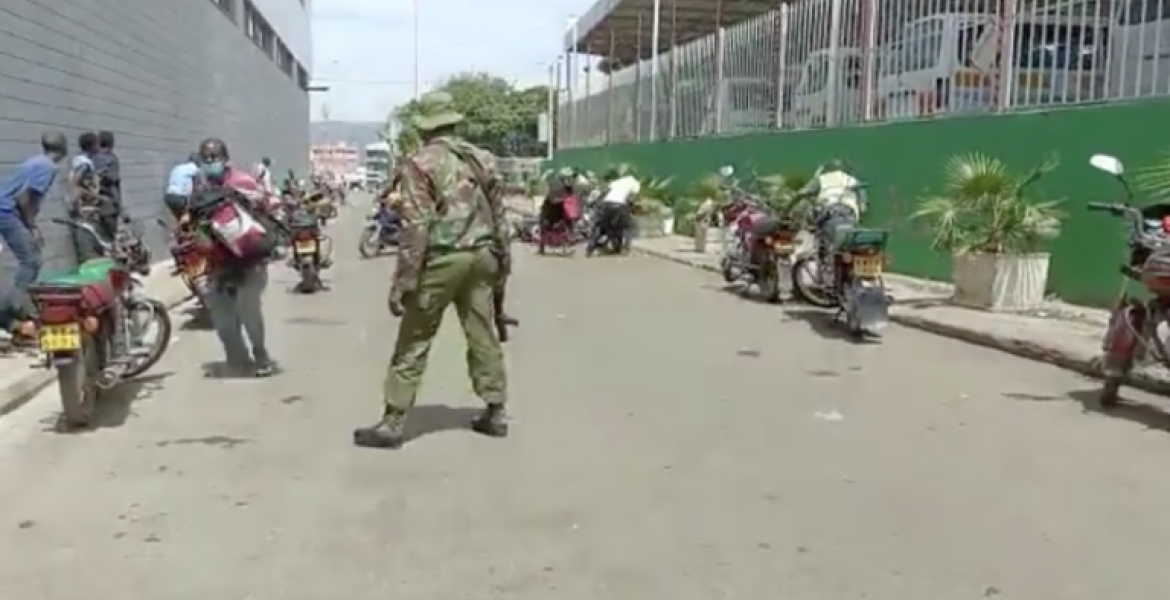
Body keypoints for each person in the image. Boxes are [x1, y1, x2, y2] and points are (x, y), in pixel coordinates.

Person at [354, 91, 511, 449]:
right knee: (482, 332)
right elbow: (500, 216)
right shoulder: (482, 158)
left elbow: (416, 226)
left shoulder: (420, 163)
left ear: (427, 128)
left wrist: (404, 281)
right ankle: (496, 411)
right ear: (453, 123)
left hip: (444, 258)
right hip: (483, 256)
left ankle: (393, 421)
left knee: (415, 336)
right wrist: (503, 264)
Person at [194, 138, 278, 377]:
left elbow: (268, 205)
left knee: (248, 310)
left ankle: (261, 357)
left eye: (215, 157)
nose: (211, 162)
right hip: (218, 262)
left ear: (225, 159)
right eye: (206, 158)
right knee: (222, 318)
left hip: (250, 260)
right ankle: (237, 358)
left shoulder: (243, 182)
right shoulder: (200, 189)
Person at [0, 133, 67, 335]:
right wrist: (31, 227)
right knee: (31, 260)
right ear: (63, 149)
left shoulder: (34, 161)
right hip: (6, 211)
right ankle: (16, 306)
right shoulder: (49, 167)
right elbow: (25, 199)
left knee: (30, 257)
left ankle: (12, 312)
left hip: (6, 209)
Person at [798, 159, 868, 286]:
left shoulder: (822, 179)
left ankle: (826, 280)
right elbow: (863, 205)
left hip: (829, 216)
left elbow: (802, 193)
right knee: (847, 246)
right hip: (850, 215)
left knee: (825, 247)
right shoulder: (851, 180)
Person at [587, 166, 639, 255]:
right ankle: (626, 248)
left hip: (606, 203)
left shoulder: (617, 181)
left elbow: (604, 191)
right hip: (620, 204)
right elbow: (632, 198)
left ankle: (591, 246)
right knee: (628, 227)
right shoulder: (635, 183)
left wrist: (595, 201)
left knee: (602, 225)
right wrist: (631, 207)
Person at [538, 166, 579, 255]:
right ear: (563, 177)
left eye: (571, 177)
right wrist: (562, 199)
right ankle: (541, 248)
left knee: (569, 221)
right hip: (548, 210)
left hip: (560, 210)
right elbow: (552, 199)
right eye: (568, 177)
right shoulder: (555, 184)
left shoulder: (569, 187)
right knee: (544, 227)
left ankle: (570, 238)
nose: (570, 179)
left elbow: (572, 199)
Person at [164, 153, 200, 219]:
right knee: (190, 214)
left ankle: (179, 227)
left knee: (179, 216)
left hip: (168, 196)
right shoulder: (193, 168)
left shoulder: (178, 167)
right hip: (180, 198)